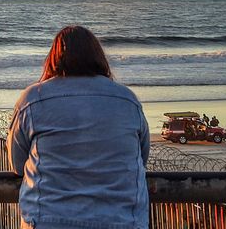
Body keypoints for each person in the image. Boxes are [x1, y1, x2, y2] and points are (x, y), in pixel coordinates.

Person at [8, 26, 149, 229]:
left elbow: (17, 164)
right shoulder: (127, 99)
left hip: (48, 220)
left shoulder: (33, 98)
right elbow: (141, 157)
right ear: (99, 57)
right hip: (122, 220)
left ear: (53, 58)